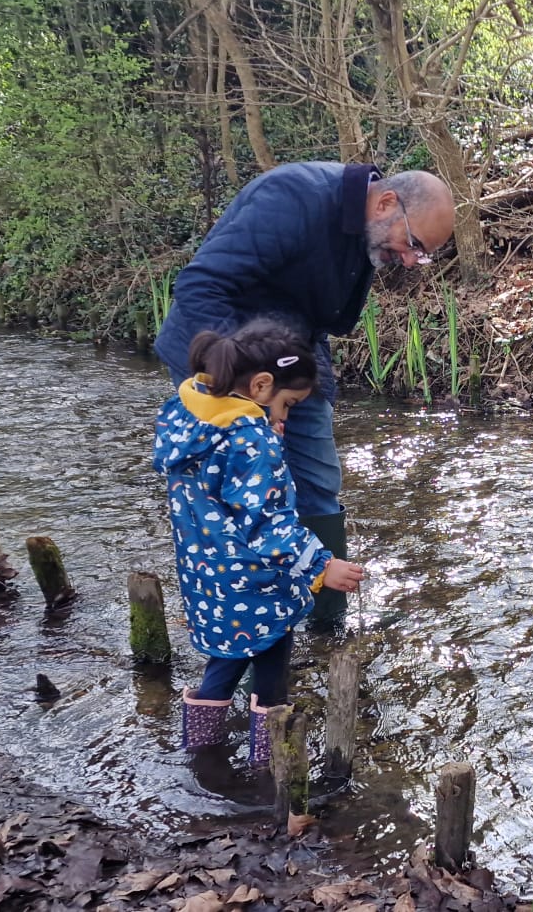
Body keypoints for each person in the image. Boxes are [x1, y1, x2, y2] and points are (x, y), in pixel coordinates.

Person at [154, 162, 454, 629]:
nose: (413, 261)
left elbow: (316, 314)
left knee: (317, 479)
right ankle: (243, 621)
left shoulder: (368, 230)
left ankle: (326, 625)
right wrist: (246, 390)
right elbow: (200, 288)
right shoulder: (292, 199)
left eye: (423, 255)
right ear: (385, 203)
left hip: (293, 356)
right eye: (414, 244)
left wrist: (303, 385)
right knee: (236, 491)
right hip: (223, 361)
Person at [155, 320, 367, 764]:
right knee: (271, 667)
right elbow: (267, 523)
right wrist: (321, 565)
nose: (284, 417)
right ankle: (270, 764)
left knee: (227, 659)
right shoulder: (251, 440)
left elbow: (223, 485)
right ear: (261, 385)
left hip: (207, 575)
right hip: (255, 580)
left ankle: (201, 758)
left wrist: (263, 432)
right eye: (287, 404)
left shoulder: (187, 414)